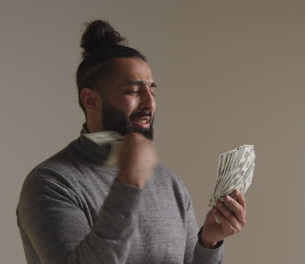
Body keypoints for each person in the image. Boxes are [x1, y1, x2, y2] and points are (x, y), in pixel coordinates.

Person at [16, 20, 247, 264]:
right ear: (91, 100)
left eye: (152, 92)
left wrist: (208, 243)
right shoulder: (51, 183)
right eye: (134, 92)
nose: (150, 103)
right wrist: (128, 183)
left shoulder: (170, 183)